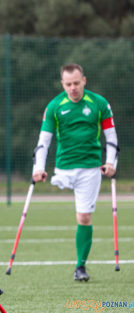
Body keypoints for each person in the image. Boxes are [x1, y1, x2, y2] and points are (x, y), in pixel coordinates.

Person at [32, 63, 118, 282]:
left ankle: (80, 266)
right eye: (68, 84)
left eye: (76, 83)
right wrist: (39, 168)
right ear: (63, 84)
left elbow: (111, 136)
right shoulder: (54, 106)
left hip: (90, 168)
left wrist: (110, 162)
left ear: (84, 81)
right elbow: (44, 141)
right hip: (62, 169)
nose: (73, 88)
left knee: (84, 216)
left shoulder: (99, 104)